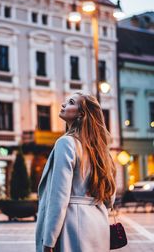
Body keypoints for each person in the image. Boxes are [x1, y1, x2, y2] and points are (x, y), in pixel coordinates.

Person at [36, 92, 116, 252]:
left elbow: (58, 197)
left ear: (81, 114)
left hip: (72, 226)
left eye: (71, 102)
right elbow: (110, 198)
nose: (63, 105)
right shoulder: (101, 150)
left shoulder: (66, 143)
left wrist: (49, 240)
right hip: (98, 224)